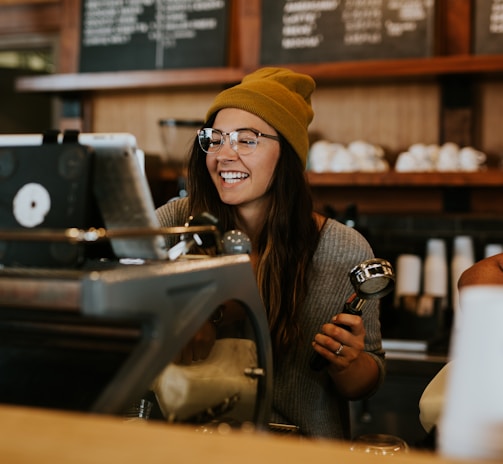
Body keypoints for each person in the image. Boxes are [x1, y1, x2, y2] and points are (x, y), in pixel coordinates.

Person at [155, 67, 385, 439]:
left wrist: (349, 363)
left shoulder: (342, 247)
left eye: (247, 140)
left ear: (288, 156)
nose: (223, 155)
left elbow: (365, 384)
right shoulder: (173, 224)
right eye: (215, 139)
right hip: (184, 447)